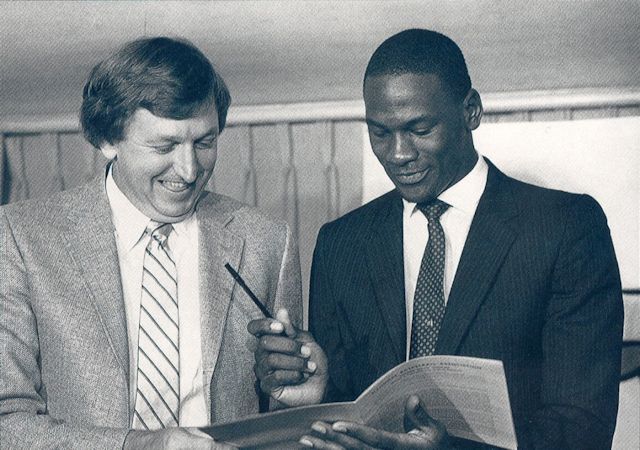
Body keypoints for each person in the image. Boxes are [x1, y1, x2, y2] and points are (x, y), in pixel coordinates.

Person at [250, 29, 624, 449]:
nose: (398, 154)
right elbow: (344, 415)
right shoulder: (341, 243)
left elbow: (582, 430)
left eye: (420, 129)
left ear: (471, 111)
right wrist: (317, 395)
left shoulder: (565, 228)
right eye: (380, 133)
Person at [0, 37, 302, 449]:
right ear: (108, 140)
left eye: (205, 142)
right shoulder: (20, 237)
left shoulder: (267, 241)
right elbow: (7, 422)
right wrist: (141, 445)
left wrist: (301, 395)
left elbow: (283, 421)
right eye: (164, 146)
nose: (189, 170)